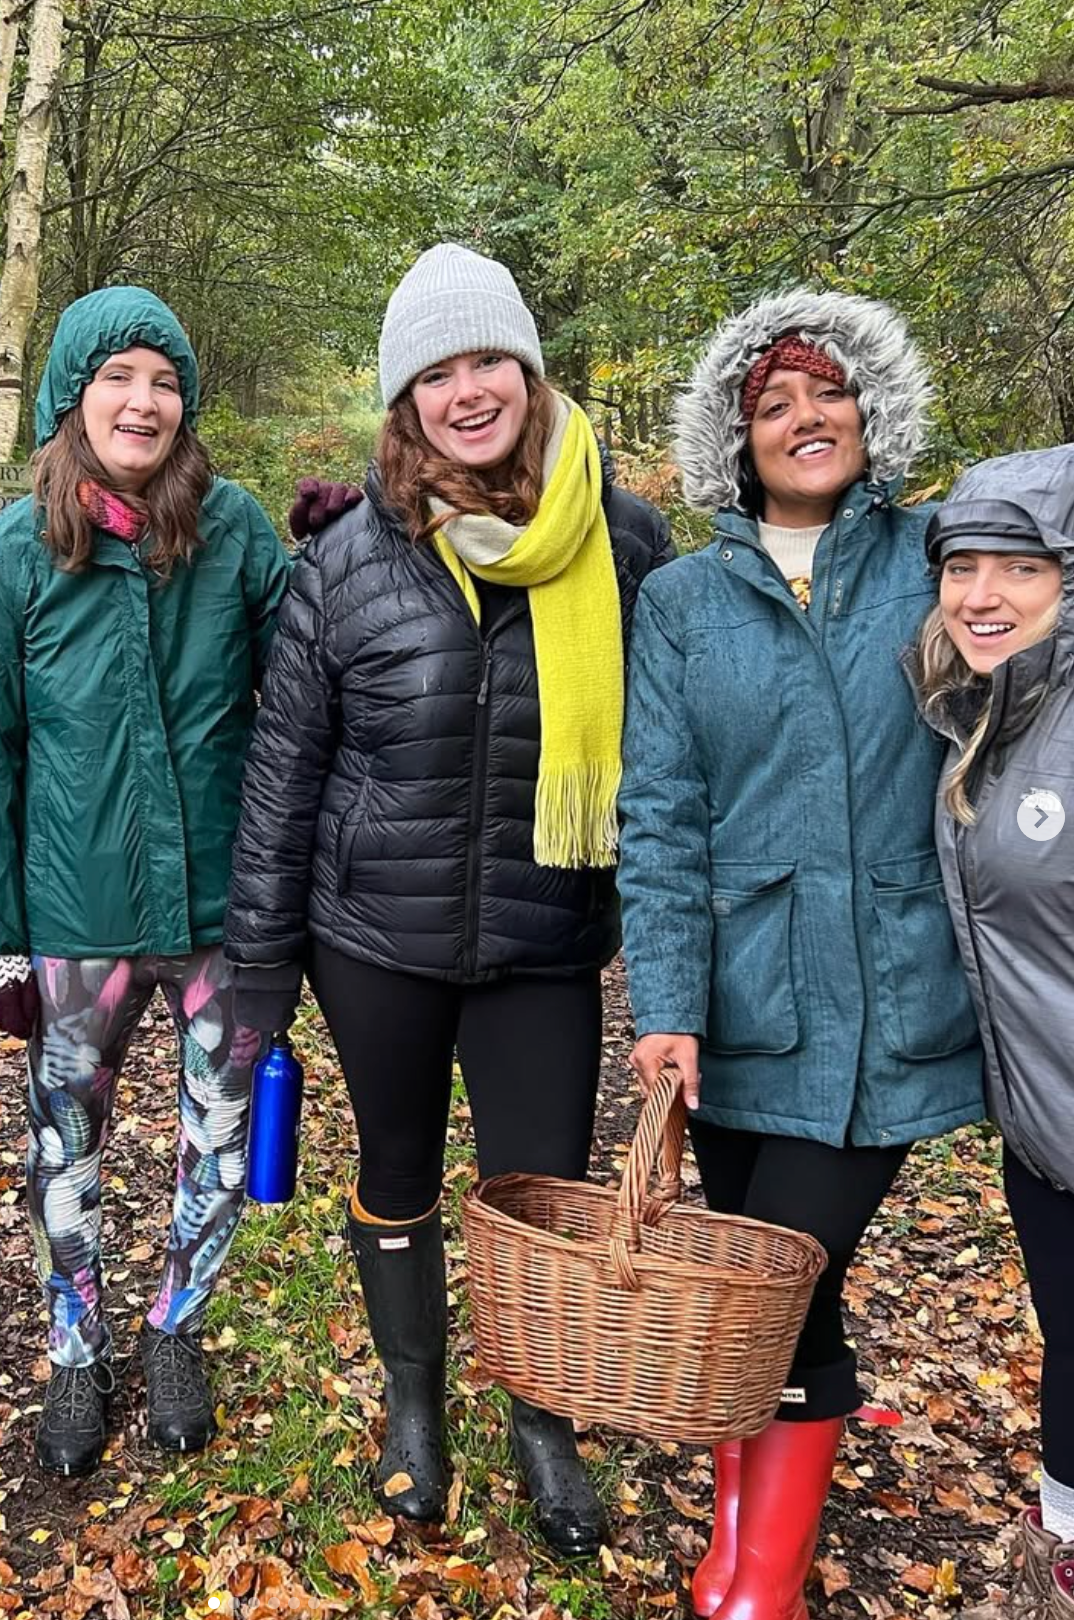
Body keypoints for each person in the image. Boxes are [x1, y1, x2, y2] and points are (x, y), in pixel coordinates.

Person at [226, 243, 672, 1554]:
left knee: (542, 1195)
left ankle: (541, 1417)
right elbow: (282, 774)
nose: (466, 390)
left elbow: (683, 756)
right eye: (437, 370)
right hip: (379, 938)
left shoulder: (626, 540)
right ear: (403, 399)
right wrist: (261, 971)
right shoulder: (347, 561)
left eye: (488, 360)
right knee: (399, 1173)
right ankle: (416, 1406)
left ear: (528, 373)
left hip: (545, 939)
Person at [617, 291, 984, 1618]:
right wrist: (666, 1003)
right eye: (773, 402)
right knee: (761, 1298)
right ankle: (738, 1544)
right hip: (742, 1000)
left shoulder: (943, 554)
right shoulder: (683, 598)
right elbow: (658, 815)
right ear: (736, 436)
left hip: (890, 997)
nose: (804, 417)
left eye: (827, 392)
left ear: (871, 409)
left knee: (784, 1281)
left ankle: (759, 1583)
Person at [0, 287, 291, 1478]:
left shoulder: (236, 531)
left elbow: (312, 679)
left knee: (218, 1133)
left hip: (217, 917)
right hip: (72, 918)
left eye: (163, 381)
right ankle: (72, 1347)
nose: (141, 401)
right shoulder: (8, 558)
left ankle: (175, 1332)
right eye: (118, 378)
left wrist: (353, 549)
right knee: (64, 1146)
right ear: (70, 397)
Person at [912, 446, 1074, 1617]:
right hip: (1043, 1134)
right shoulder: (984, 711)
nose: (980, 592)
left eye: (1018, 566)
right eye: (960, 564)